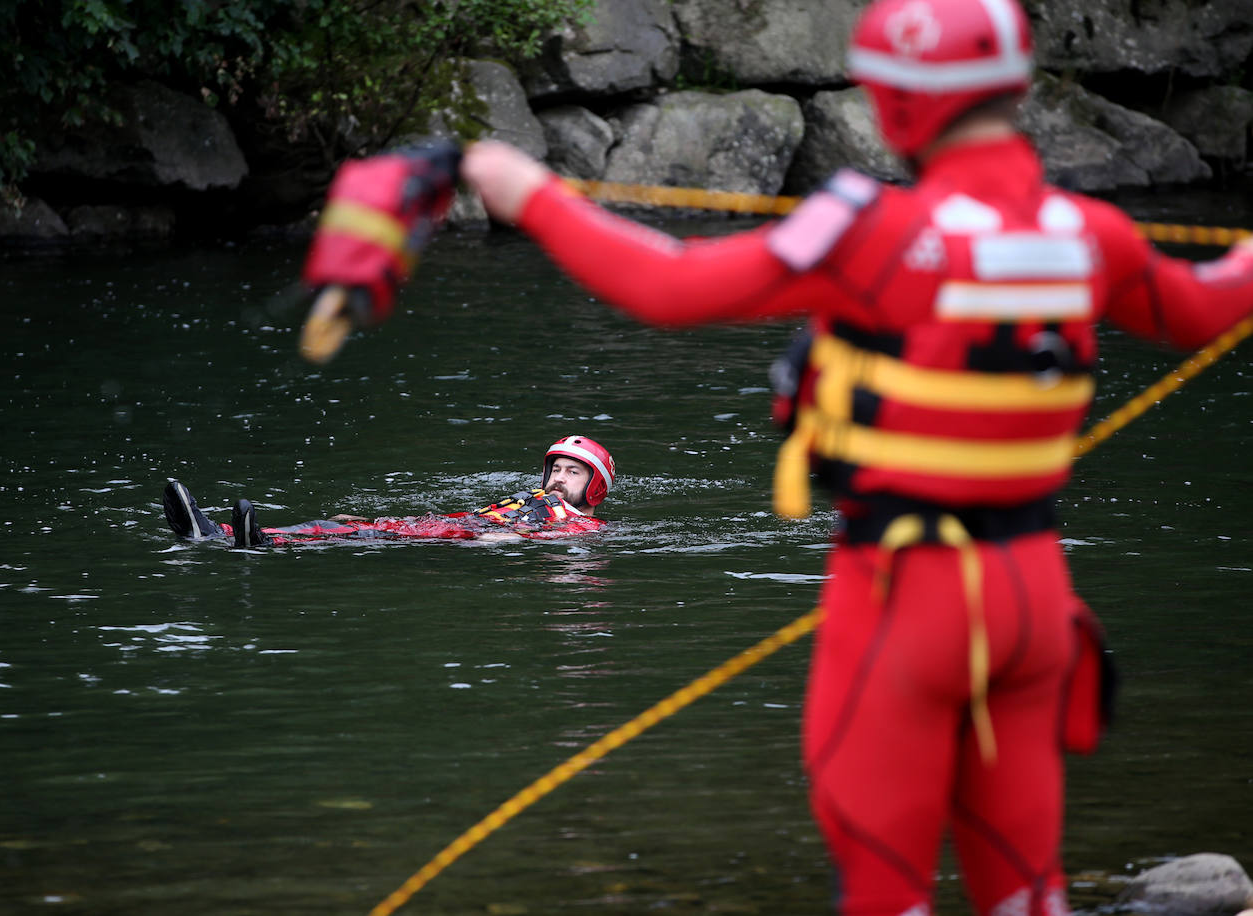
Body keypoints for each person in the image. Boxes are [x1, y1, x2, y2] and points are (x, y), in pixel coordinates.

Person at [457, 0, 1253, 912]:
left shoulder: (864, 228)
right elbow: (1210, 303)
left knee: (886, 885)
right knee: (1027, 887)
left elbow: (668, 283)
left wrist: (522, 188)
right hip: (1035, 604)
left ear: (900, 104)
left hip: (902, 606)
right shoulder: (1090, 236)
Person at [163, 435, 615, 548]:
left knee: (354, 534)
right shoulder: (534, 498)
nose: (558, 478)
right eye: (555, 469)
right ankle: (218, 532)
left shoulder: (586, 526)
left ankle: (259, 542)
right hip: (450, 525)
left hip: (460, 539)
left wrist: (501, 540)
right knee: (341, 523)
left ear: (593, 486)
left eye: (573, 473)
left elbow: (557, 552)